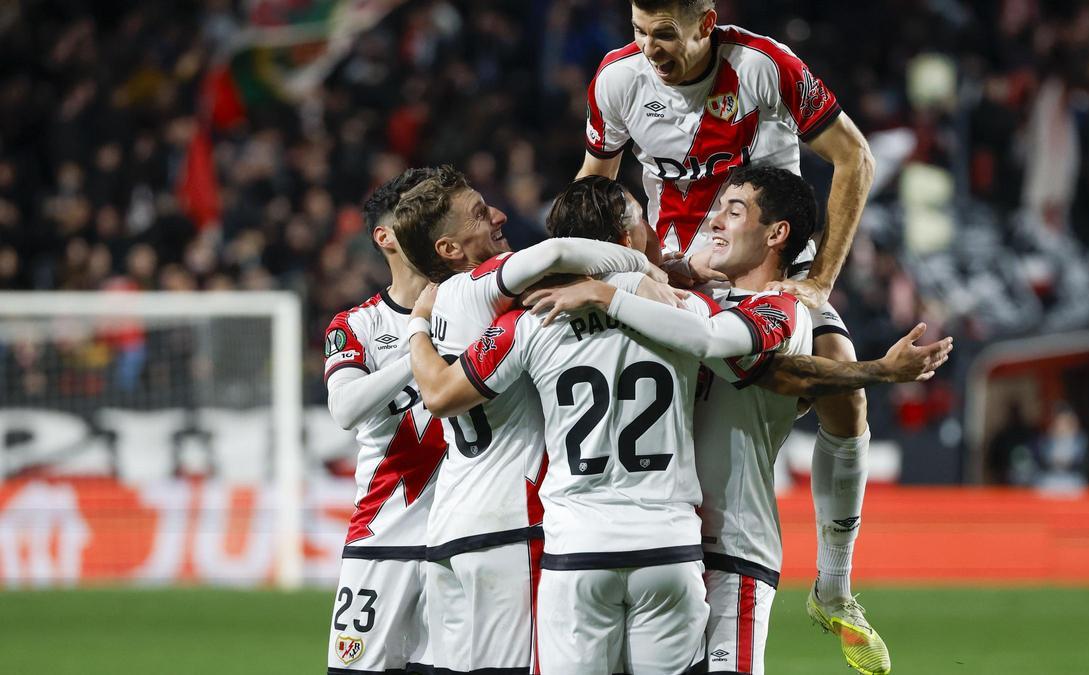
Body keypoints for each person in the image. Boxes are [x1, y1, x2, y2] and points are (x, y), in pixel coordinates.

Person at [406, 175, 951, 674]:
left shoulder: (528, 317)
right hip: (673, 540)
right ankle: (834, 588)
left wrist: (419, 326)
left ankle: (835, 588)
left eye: (732, 210)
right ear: (628, 236)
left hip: (644, 544)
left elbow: (441, 393)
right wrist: (878, 370)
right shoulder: (693, 306)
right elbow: (772, 370)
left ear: (776, 234)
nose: (709, 222)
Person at [576, 2, 886, 671]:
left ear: (706, 23)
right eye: (637, 30)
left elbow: (853, 157)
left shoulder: (766, 68)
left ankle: (834, 586)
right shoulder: (616, 80)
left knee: (841, 382)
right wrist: (576, 264)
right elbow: (592, 187)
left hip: (767, 279)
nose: (648, 47)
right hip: (673, 277)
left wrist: (819, 283)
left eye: (663, 33)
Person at [385, 165, 662, 673]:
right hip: (510, 524)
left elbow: (438, 392)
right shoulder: (480, 284)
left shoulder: (438, 305)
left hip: (451, 526)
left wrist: (416, 327)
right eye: (477, 212)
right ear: (449, 249)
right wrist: (642, 264)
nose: (498, 214)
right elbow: (557, 253)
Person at [321, 169, 448, 674]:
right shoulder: (357, 325)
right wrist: (417, 348)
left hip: (459, 540)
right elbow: (345, 409)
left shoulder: (476, 308)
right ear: (386, 236)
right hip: (383, 538)